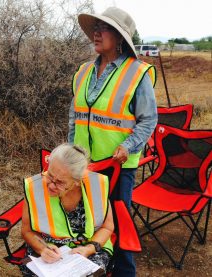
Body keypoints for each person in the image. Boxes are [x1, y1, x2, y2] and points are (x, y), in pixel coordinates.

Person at [68, 7, 158, 277]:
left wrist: (127, 147)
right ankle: (92, 268)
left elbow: (148, 120)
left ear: (118, 36)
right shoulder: (83, 72)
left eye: (102, 28)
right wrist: (72, 152)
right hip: (85, 165)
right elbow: (75, 116)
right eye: (94, 28)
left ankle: (124, 273)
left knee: (118, 221)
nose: (95, 33)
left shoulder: (137, 73)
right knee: (90, 221)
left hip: (118, 166)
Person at [20, 143, 114, 276]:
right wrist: (42, 248)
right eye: (49, 175)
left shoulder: (96, 185)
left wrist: (89, 249)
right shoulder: (34, 187)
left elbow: (107, 227)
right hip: (48, 247)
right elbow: (26, 230)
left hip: (88, 247)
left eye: (60, 182)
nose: (51, 185)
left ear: (77, 181)